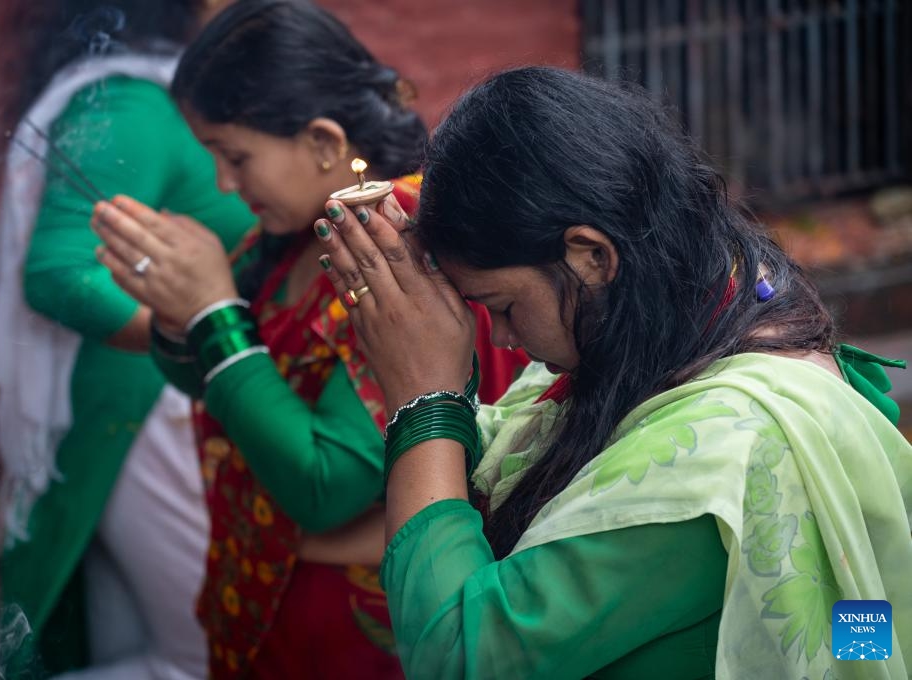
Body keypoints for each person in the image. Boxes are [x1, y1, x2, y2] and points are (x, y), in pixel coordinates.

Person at [315, 66, 912, 679]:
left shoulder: (719, 457)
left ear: (592, 256)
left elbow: (459, 656)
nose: (505, 341)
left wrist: (425, 401)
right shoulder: (718, 300)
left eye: (503, 307)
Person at [90, 1, 527, 677]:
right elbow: (226, 381)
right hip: (275, 608)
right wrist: (182, 315)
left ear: (324, 142)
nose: (223, 184)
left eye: (235, 156)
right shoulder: (295, 236)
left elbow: (325, 485)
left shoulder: (389, 237)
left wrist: (212, 314)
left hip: (359, 631)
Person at [0, 1, 255, 677]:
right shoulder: (130, 104)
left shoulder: (177, 93)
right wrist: (200, 343)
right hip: (146, 415)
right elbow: (57, 270)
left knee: (140, 648)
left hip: (189, 409)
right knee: (209, 655)